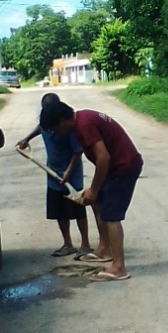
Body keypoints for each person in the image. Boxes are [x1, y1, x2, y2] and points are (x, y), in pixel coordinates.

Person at [39, 101, 144, 282]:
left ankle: (119, 267)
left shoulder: (84, 124)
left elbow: (103, 157)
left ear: (64, 120)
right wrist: (95, 192)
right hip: (115, 168)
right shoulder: (82, 120)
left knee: (111, 216)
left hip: (123, 167)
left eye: (56, 128)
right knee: (97, 203)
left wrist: (94, 189)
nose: (57, 133)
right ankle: (104, 249)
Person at [16, 92, 95, 258]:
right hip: (52, 173)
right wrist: (27, 138)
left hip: (71, 176)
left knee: (78, 209)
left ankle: (85, 244)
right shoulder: (47, 122)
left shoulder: (66, 128)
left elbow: (77, 152)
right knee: (59, 211)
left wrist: (68, 172)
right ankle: (67, 244)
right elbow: (40, 127)